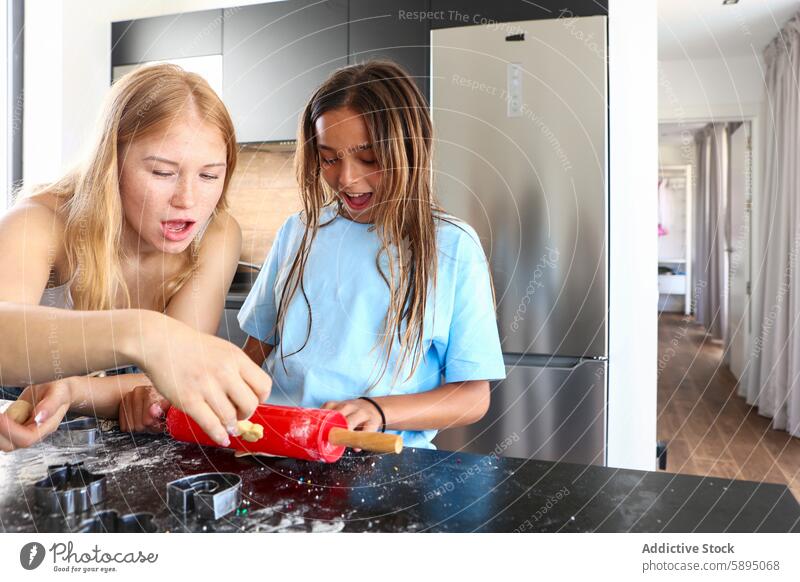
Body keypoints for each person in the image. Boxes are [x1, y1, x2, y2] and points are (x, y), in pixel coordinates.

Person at [0, 64, 271, 452]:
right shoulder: (38, 223)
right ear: (111, 165)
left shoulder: (217, 234)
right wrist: (145, 334)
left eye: (209, 176)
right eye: (163, 173)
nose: (188, 200)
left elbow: (177, 377)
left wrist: (79, 390)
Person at [237, 60, 505, 449]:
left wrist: (377, 410)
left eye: (369, 159)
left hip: (384, 461)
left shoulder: (452, 246)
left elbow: (472, 398)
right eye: (329, 158)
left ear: (409, 149)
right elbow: (255, 352)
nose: (346, 178)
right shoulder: (298, 231)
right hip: (281, 444)